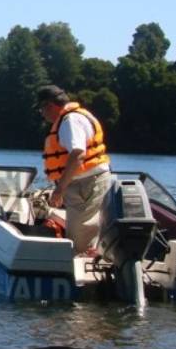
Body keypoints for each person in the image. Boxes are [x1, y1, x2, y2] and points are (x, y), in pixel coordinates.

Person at [36, 85, 112, 254]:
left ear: (50, 105)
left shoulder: (70, 121)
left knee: (80, 238)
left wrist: (59, 190)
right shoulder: (73, 118)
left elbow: (78, 154)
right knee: (83, 230)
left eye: (41, 108)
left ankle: (80, 272)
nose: (42, 113)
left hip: (86, 184)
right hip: (86, 182)